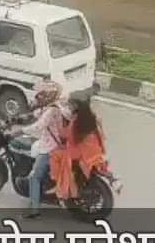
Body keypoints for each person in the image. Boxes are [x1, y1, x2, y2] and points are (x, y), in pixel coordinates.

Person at [9, 81, 71, 219]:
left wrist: (17, 132)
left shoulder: (51, 110)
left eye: (42, 95)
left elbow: (38, 126)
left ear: (49, 96)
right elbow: (35, 114)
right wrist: (16, 119)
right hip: (58, 145)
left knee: (34, 177)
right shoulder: (56, 105)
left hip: (51, 148)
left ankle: (34, 210)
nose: (39, 97)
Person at [50, 98, 108, 201]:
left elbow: (66, 135)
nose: (70, 107)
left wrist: (58, 127)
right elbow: (102, 135)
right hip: (95, 151)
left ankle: (57, 183)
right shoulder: (93, 118)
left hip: (80, 153)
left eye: (71, 105)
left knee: (54, 154)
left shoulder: (76, 121)